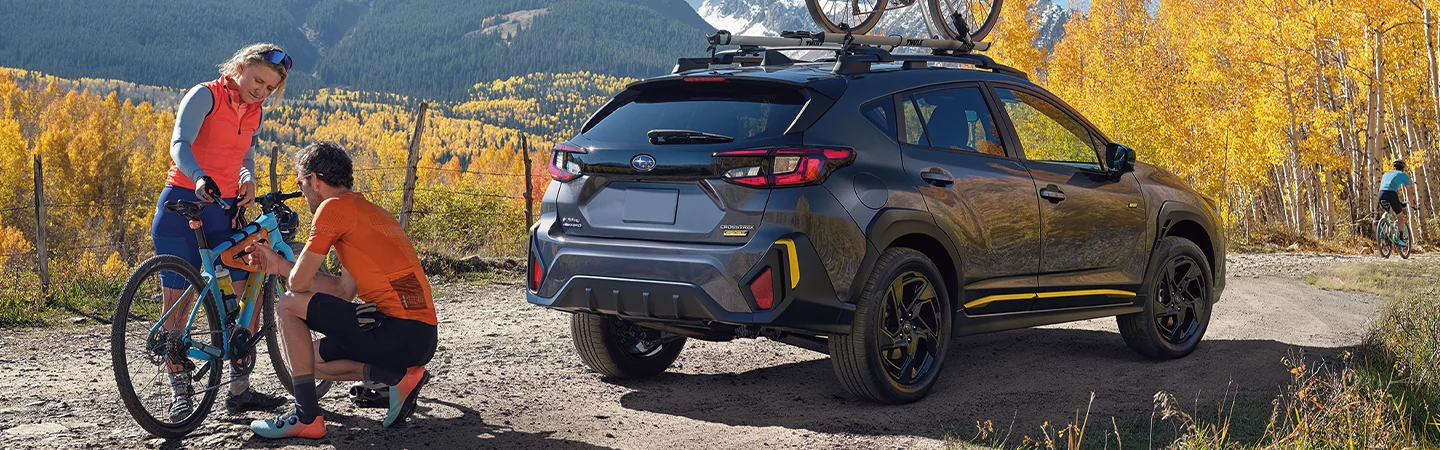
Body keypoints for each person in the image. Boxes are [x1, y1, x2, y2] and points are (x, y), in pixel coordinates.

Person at [244, 141, 438, 439]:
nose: (303, 191)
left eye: (301, 183)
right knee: (311, 358)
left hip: (397, 330)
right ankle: (395, 377)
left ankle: (306, 416)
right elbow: (344, 290)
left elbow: (297, 285)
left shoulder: (332, 209)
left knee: (286, 305)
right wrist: (280, 266)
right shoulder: (370, 213)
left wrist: (280, 266)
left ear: (315, 181)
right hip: (420, 336)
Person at [150, 43, 294, 421]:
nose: (261, 91)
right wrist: (198, 177)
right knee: (177, 305)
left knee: (249, 287)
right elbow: (179, 143)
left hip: (225, 210)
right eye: (258, 81)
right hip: (185, 203)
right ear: (241, 66)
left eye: (270, 88)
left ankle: (239, 389)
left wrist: (246, 176)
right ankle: (180, 392)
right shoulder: (205, 95)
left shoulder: (255, 111)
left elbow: (242, 155)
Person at [1379, 160, 1416, 238]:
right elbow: (1408, 191)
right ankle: (1401, 238)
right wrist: (1412, 204)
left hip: (1381, 194)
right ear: (1403, 168)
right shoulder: (1403, 175)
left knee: (1388, 211)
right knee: (1400, 217)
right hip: (1391, 194)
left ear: (1394, 167)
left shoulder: (1386, 174)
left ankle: (1382, 228)